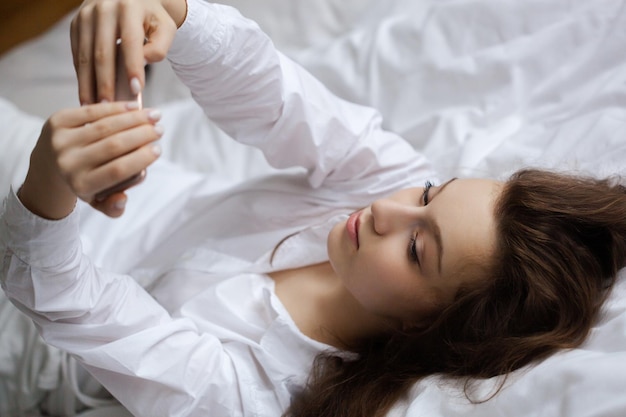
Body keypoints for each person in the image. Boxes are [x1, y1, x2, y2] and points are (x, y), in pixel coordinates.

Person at [1, 0, 625, 417]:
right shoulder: (392, 182)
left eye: (416, 249)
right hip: (97, 200)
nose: (389, 209)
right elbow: (277, 99)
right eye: (431, 193)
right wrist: (175, 17)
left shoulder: (261, 394)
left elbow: (76, 307)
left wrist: (47, 190)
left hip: (26, 321)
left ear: (424, 325)